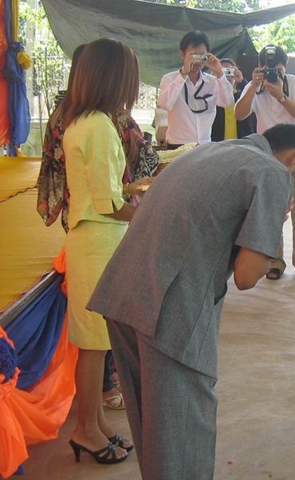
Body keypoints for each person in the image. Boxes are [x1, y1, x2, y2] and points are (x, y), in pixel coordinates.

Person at [87, 124, 295, 480]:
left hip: (124, 294)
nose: (293, 188)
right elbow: (247, 275)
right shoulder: (273, 172)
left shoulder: (208, 150)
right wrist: (272, 222)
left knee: (156, 437)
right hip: (170, 310)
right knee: (181, 440)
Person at [59, 38, 151, 465]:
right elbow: (108, 204)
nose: (132, 88)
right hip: (97, 240)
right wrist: (148, 211)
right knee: (95, 344)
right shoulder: (97, 125)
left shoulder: (85, 120)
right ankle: (84, 428)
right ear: (113, 78)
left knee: (97, 343)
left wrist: (135, 190)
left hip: (95, 240)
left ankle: (95, 424)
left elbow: (107, 190)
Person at [235, 45, 295, 281]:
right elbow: (239, 114)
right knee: (271, 212)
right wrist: (253, 86)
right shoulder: (255, 86)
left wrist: (281, 95)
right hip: (269, 157)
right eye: (268, 69)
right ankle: (274, 262)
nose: (273, 74)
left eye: (278, 69)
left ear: (286, 67)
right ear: (260, 67)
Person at [158, 30, 234, 149]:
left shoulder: (213, 81)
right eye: (194, 55)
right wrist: (183, 74)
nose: (198, 60)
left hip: (204, 145)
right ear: (182, 54)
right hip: (177, 144)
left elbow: (227, 102)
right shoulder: (170, 79)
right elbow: (165, 104)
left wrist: (219, 74)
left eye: (202, 56)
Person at [210, 57, 256, 141]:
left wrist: (242, 80)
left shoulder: (241, 96)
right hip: (216, 144)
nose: (226, 76)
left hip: (241, 144)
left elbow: (253, 96)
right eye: (222, 71)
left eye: (229, 71)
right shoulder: (210, 97)